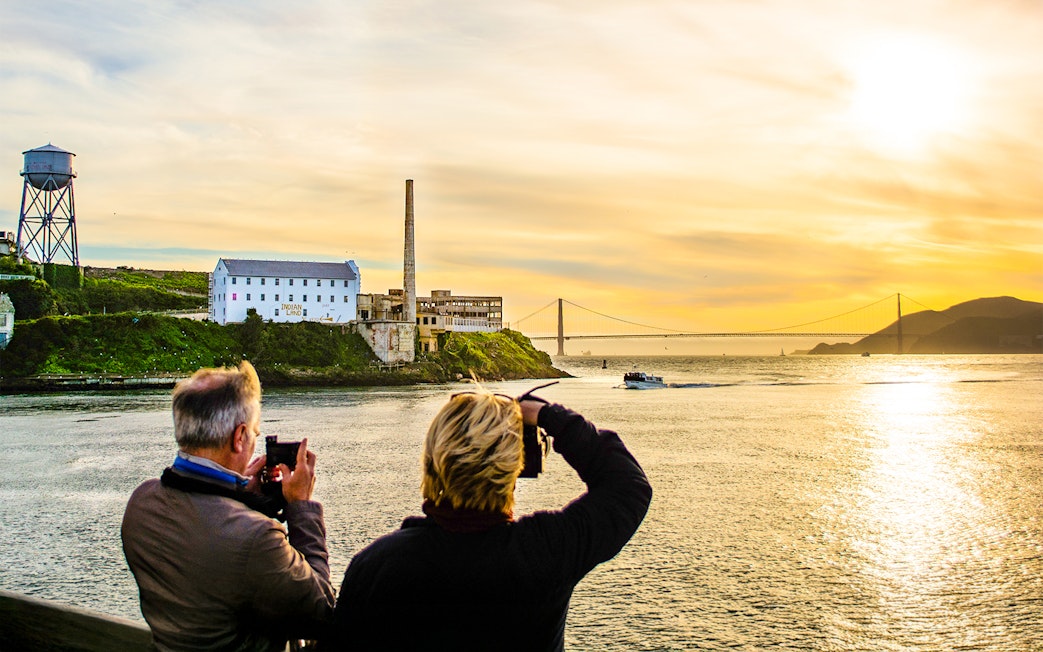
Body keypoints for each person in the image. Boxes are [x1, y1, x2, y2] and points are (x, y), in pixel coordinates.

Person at [321, 385, 652, 651]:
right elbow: (627, 487)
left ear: (433, 457)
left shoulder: (378, 565)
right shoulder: (545, 552)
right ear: (517, 463)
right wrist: (549, 416)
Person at [122, 360, 335, 651]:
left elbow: (211, 544)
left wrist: (243, 498)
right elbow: (321, 611)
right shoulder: (255, 538)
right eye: (254, 434)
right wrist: (301, 507)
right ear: (239, 437)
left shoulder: (142, 502)